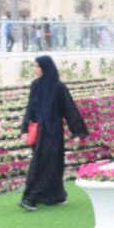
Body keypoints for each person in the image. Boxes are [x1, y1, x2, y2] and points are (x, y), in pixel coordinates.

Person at [20, 55, 90, 209]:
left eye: (38, 66)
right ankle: (54, 196)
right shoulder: (36, 85)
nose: (35, 69)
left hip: (53, 134)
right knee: (43, 163)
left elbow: (69, 109)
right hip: (39, 133)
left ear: (45, 68)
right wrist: (25, 129)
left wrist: (77, 132)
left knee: (50, 164)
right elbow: (30, 108)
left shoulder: (58, 87)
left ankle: (31, 198)